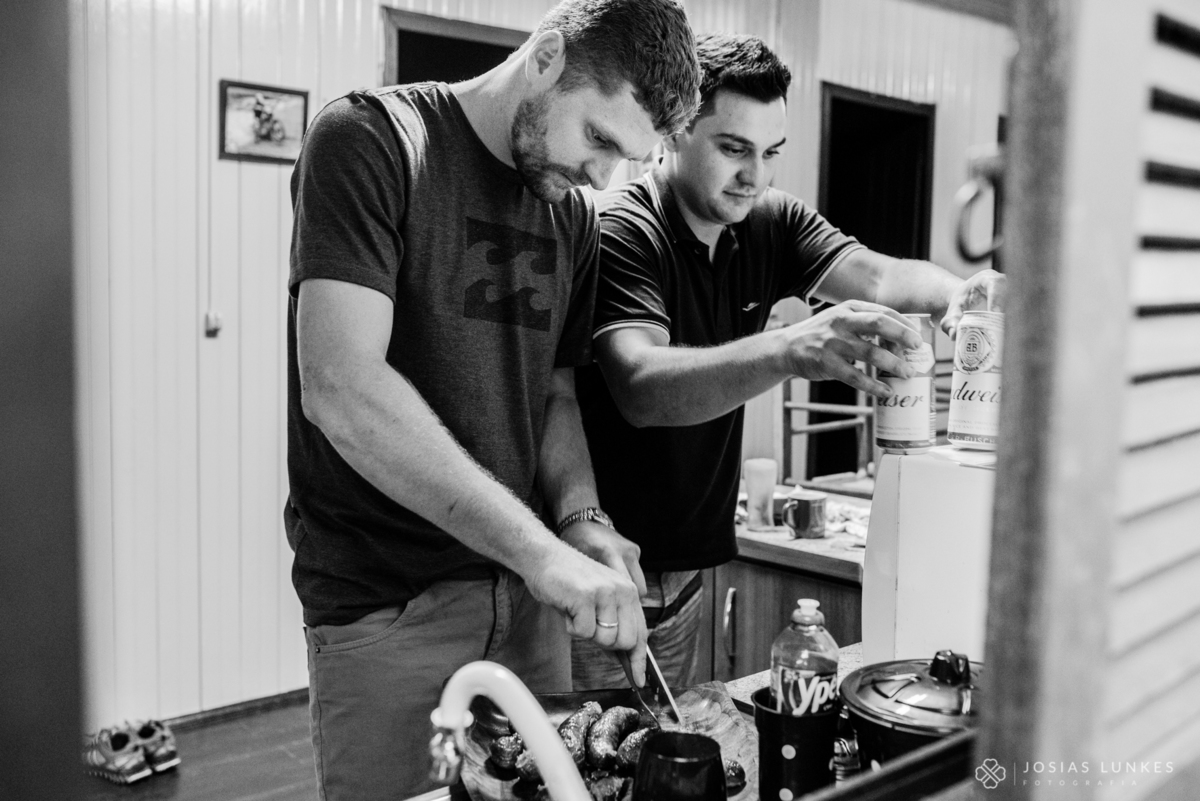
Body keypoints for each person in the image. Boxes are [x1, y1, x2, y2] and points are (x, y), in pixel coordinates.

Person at [284, 1, 699, 797]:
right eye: (600, 138)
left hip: (531, 604)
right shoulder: (372, 141)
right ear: (546, 58)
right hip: (387, 606)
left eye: (629, 159)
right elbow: (341, 387)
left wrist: (582, 521)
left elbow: (552, 391)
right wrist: (545, 553)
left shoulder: (572, 213)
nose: (603, 176)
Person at [572, 33, 1004, 691]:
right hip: (602, 575)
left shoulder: (769, 221)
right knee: (583, 770)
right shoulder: (624, 229)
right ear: (675, 130)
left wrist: (960, 294)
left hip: (689, 576)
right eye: (734, 149)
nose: (756, 175)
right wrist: (790, 350)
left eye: (771, 153)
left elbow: (881, 276)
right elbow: (641, 385)